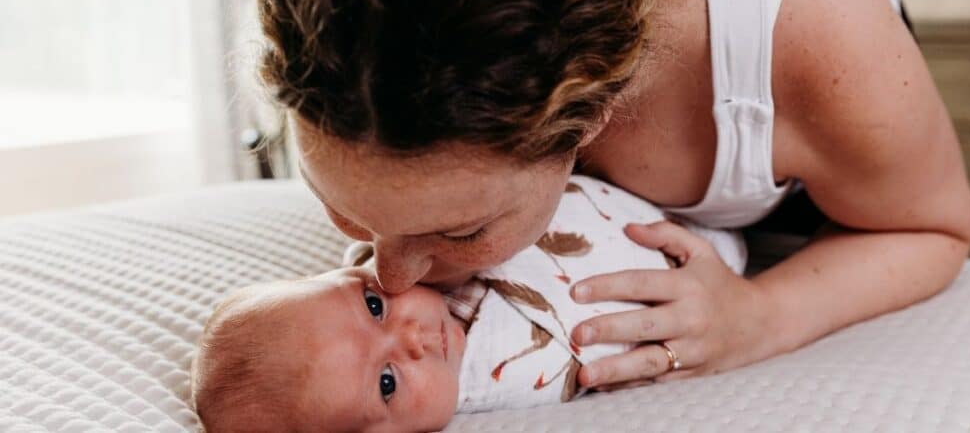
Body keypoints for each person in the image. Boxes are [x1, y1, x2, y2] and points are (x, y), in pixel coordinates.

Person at [250, 0, 970, 390]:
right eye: (346, 209)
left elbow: (933, 226)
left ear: (596, 111)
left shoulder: (811, 23)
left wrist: (765, 316)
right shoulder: (368, 53)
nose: (395, 276)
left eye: (460, 228)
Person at [190, 177, 747, 431]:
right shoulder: (499, 376)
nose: (412, 337)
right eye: (387, 383)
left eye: (373, 308)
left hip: (652, 189)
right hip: (711, 265)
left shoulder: (392, 246)